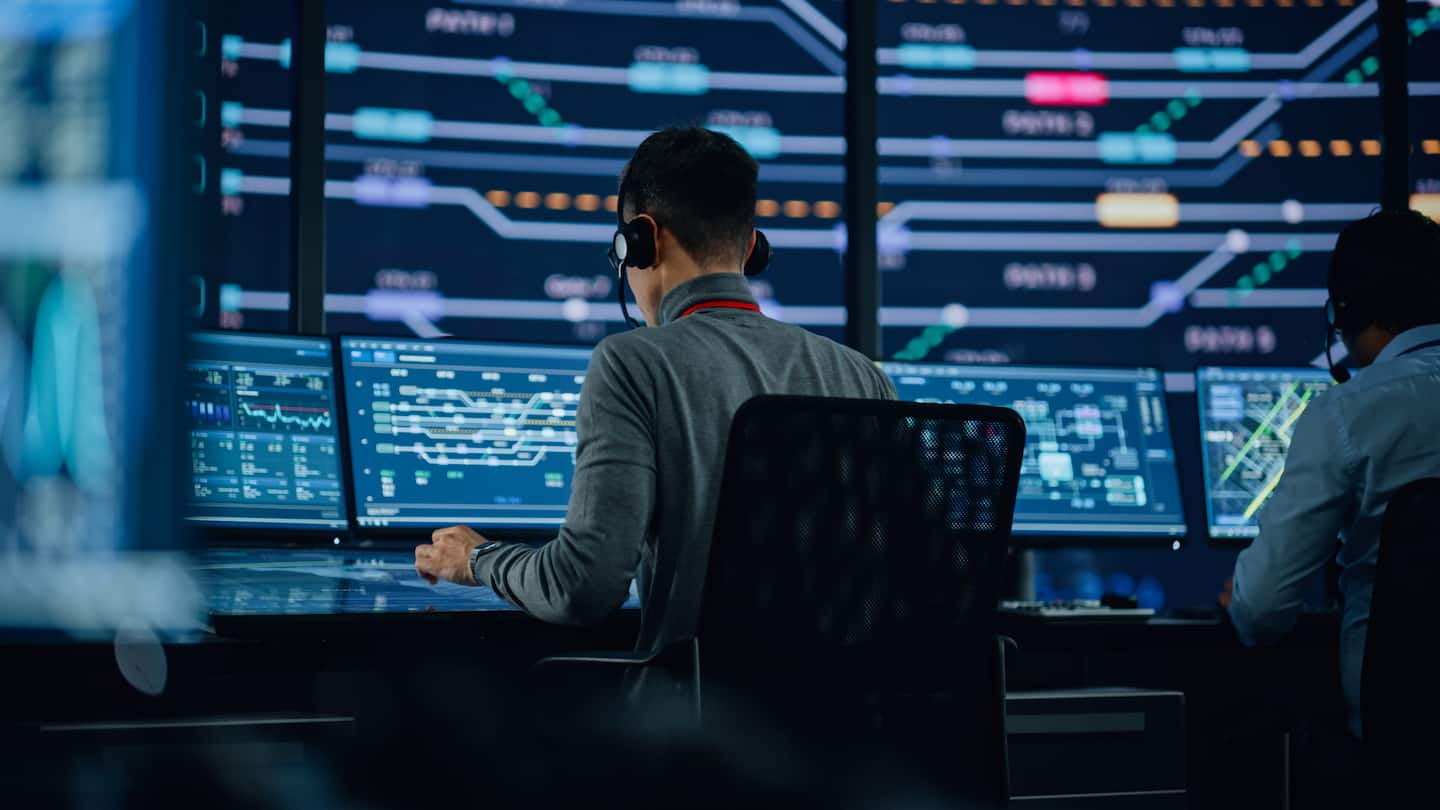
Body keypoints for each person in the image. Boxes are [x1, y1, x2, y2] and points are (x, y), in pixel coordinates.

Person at [415, 128, 895, 651]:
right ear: (752, 246)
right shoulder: (861, 375)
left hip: (703, 721)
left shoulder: (634, 362)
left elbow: (582, 588)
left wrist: (477, 559)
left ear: (640, 239)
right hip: (856, 720)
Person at [1221, 209, 1440, 740]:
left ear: (1345, 310)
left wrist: (1241, 597)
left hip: (1405, 731)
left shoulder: (1347, 412)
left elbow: (1264, 612)